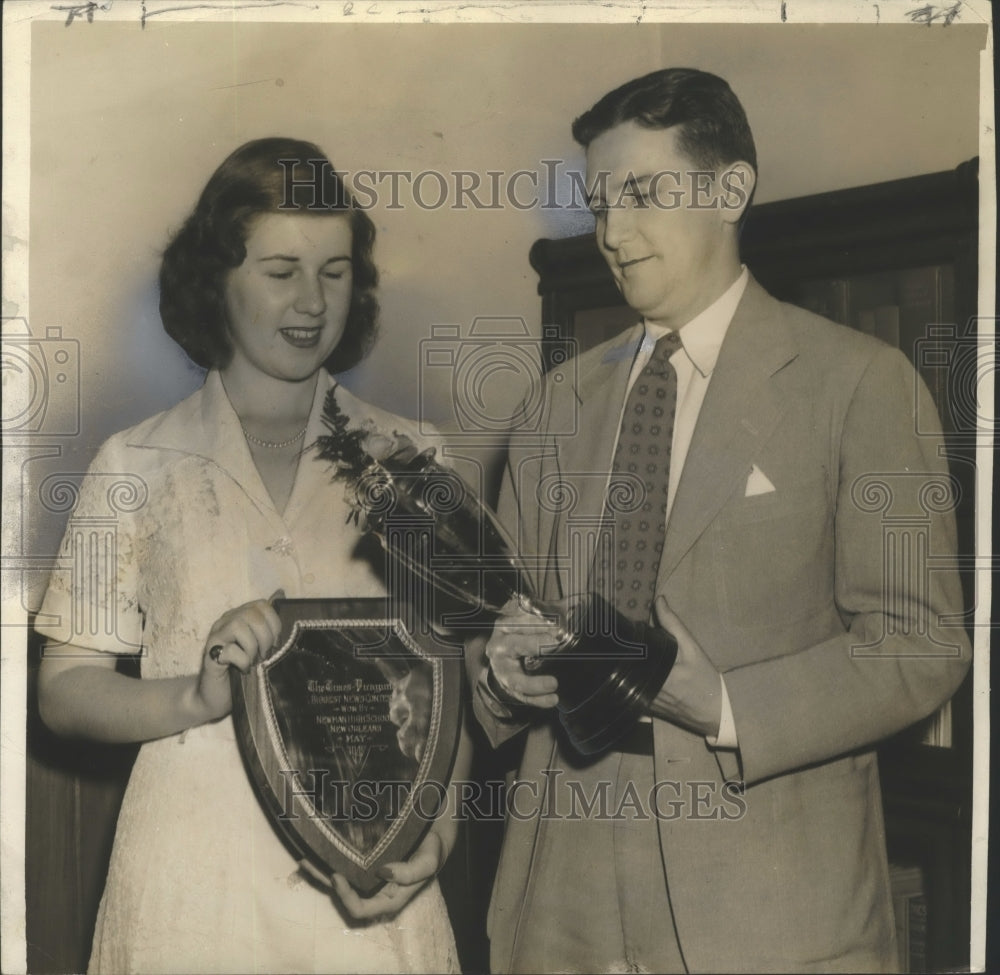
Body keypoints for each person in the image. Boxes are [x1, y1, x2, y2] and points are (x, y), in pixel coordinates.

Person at [469, 68, 971, 974]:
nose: (613, 233)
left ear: (731, 189)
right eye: (598, 202)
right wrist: (501, 671)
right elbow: (506, 631)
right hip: (560, 904)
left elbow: (921, 642)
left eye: (643, 194)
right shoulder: (552, 406)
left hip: (769, 911)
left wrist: (728, 706)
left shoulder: (861, 383)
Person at [36, 137, 466, 974]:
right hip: (189, 893)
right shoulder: (133, 462)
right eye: (280, 270)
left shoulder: (418, 458)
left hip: (372, 904)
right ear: (217, 280)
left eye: (335, 271)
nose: (312, 301)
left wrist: (437, 834)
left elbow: (448, 680)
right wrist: (195, 697)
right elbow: (64, 690)